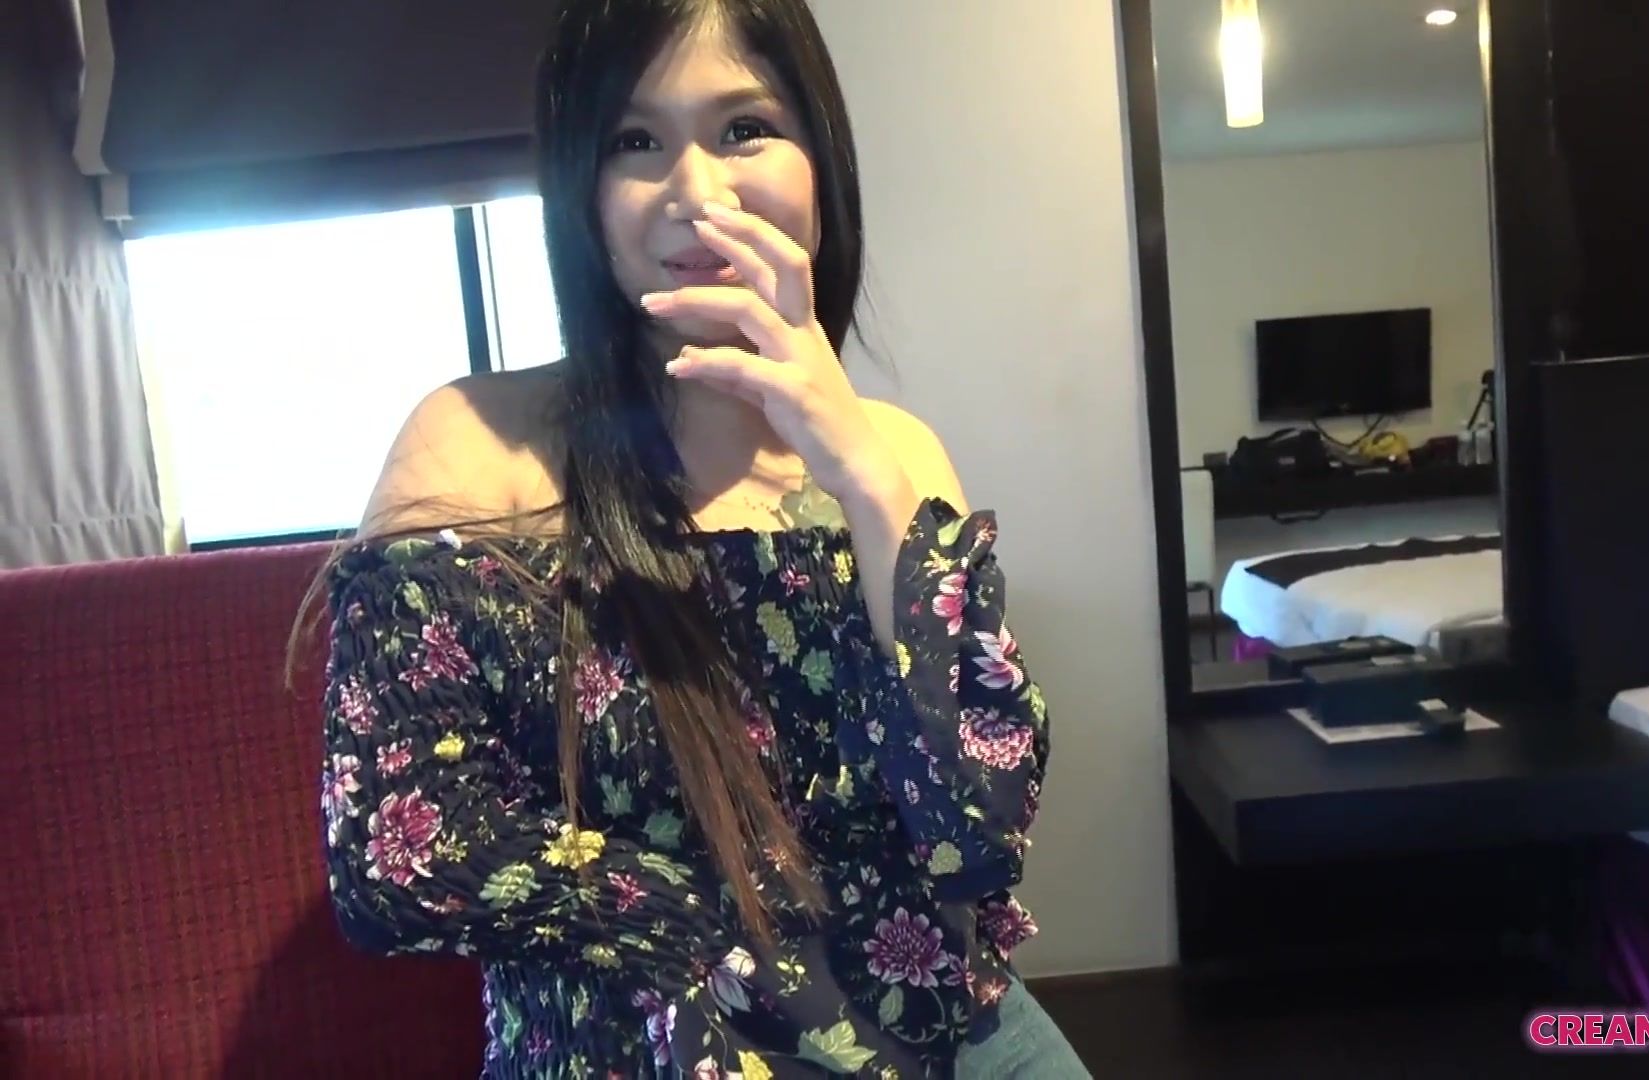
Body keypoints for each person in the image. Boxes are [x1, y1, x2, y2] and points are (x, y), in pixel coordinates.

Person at [303, 0, 1089, 1076]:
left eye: (744, 129)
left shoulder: (896, 453)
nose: (698, 193)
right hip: (647, 1042)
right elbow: (395, 854)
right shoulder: (475, 446)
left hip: (944, 1028)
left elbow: (981, 831)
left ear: (819, 162)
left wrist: (864, 478)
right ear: (582, 192)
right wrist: (697, 926)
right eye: (635, 141)